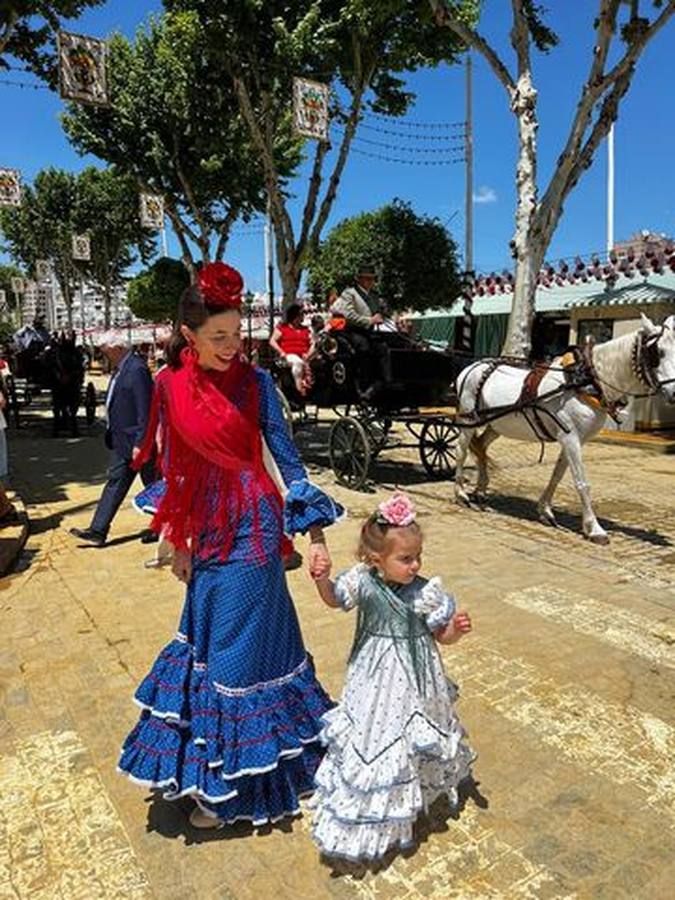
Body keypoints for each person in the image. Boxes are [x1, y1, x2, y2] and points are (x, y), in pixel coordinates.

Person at [117, 262, 343, 830]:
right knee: (214, 640)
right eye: (218, 337)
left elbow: (287, 461)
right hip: (206, 530)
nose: (231, 346)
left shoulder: (257, 382)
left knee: (235, 652)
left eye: (237, 335)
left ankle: (225, 785)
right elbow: (175, 466)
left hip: (256, 527)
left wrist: (314, 534)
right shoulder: (168, 385)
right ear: (188, 336)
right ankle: (268, 753)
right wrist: (178, 542)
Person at [310, 492, 475, 862]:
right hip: (374, 678)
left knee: (412, 738)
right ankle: (373, 814)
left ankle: (413, 795)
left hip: (417, 682)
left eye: (417, 557)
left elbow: (441, 636)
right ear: (375, 559)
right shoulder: (362, 582)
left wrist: (457, 630)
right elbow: (335, 599)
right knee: (377, 737)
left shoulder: (425, 594)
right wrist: (321, 580)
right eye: (405, 559)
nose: (415, 565)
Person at [69, 331, 155, 547]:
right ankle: (98, 530)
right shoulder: (121, 368)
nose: (102, 353)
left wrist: (141, 442)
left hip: (137, 441)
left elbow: (146, 410)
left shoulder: (136, 369)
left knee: (155, 486)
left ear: (117, 348)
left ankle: (167, 527)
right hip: (122, 441)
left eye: (104, 349)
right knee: (117, 482)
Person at [330, 264, 390, 400]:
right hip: (352, 331)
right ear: (360, 279)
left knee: (384, 348)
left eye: (372, 279)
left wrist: (381, 315)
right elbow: (349, 315)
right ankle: (362, 384)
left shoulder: (374, 296)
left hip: (369, 331)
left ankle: (383, 380)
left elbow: (378, 313)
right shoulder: (349, 293)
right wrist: (370, 320)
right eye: (367, 279)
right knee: (364, 347)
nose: (370, 282)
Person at [269, 303, 314, 394]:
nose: (303, 316)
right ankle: (299, 388)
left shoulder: (306, 329)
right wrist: (281, 352)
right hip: (288, 356)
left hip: (305, 356)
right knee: (298, 362)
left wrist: (309, 354)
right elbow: (272, 341)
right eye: (301, 314)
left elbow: (313, 343)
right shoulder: (282, 328)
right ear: (295, 316)